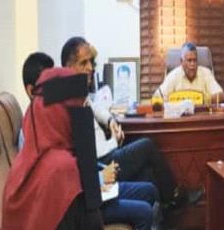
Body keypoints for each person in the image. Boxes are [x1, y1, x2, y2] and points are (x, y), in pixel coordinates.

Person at [1, 67, 187, 230]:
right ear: (61, 115)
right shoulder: (59, 170)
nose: (83, 118)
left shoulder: (28, 161)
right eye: (78, 110)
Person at [20, 51, 160, 230]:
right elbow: (57, 189)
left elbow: (77, 161)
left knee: (149, 186)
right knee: (144, 208)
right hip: (79, 205)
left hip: (91, 187)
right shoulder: (31, 134)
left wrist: (99, 173)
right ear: (31, 91)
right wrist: (100, 178)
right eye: (49, 83)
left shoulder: (61, 115)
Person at [61, 37, 182, 208]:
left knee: (148, 174)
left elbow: (96, 108)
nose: (90, 68)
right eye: (83, 63)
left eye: (91, 62)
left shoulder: (79, 92)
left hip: (106, 155)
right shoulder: (68, 101)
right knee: (147, 145)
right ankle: (175, 195)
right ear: (68, 68)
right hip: (103, 163)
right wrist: (114, 140)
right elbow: (93, 151)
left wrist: (110, 120)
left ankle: (168, 208)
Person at [157, 42, 224, 102]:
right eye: (189, 60)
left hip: (202, 112)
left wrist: (202, 100)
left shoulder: (206, 73)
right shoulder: (173, 76)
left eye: (194, 60)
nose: (192, 64)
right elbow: (157, 97)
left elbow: (221, 96)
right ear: (181, 62)